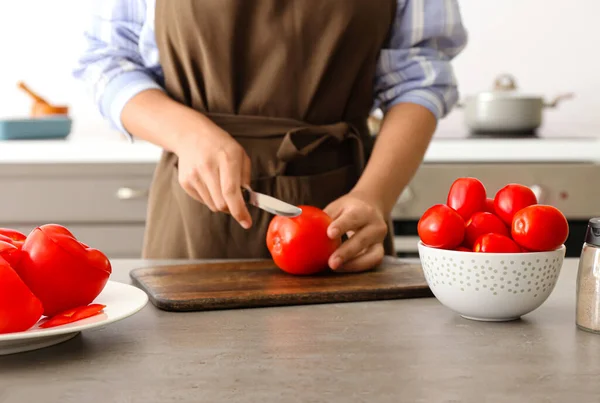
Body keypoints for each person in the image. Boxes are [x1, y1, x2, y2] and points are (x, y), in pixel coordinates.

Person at [73, 0, 467, 272]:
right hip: (194, 219)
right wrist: (186, 133)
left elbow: (421, 79)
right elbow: (107, 62)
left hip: (345, 226)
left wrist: (374, 197)